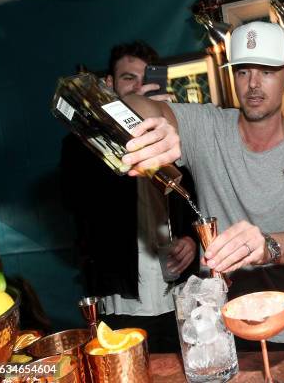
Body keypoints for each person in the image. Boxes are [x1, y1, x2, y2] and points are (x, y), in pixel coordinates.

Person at [119, 21, 284, 350]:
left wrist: (267, 246)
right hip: (222, 324)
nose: (252, 84)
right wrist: (148, 124)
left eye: (266, 72)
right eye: (242, 71)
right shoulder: (207, 128)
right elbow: (146, 108)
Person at [60, 41, 198, 353]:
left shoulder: (175, 136)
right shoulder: (80, 145)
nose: (137, 88)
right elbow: (75, 205)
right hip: (122, 303)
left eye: (144, 80)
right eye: (128, 79)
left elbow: (195, 199)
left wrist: (191, 238)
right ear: (109, 84)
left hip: (177, 296)